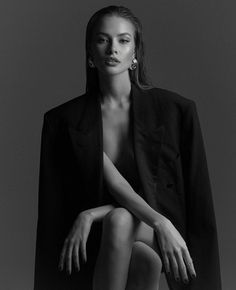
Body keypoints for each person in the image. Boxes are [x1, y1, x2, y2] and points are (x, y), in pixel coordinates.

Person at [33, 5, 222, 290]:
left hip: (165, 231)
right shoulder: (64, 121)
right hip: (98, 238)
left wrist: (161, 224)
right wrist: (90, 216)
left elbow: (199, 200)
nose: (112, 49)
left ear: (136, 53)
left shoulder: (176, 110)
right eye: (102, 40)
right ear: (89, 53)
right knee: (136, 248)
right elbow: (59, 207)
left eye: (123, 40)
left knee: (121, 221)